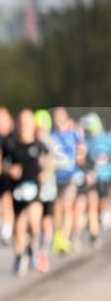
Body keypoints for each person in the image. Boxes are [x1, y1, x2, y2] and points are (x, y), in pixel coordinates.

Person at [5, 110, 47, 276]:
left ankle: (33, 245)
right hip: (17, 191)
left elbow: (50, 162)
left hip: (34, 190)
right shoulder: (11, 144)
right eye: (21, 121)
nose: (24, 125)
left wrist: (46, 172)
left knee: (34, 219)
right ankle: (19, 256)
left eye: (27, 121)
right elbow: (1, 163)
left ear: (32, 124)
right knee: (19, 226)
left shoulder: (39, 145)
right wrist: (9, 170)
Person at [50, 107, 86, 254]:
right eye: (56, 116)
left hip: (71, 176)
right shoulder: (51, 135)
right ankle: (59, 234)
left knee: (66, 206)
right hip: (56, 177)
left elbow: (82, 152)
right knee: (57, 207)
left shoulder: (74, 134)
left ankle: (65, 238)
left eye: (61, 116)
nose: (58, 119)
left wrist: (79, 156)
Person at [81, 112, 111, 248]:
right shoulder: (85, 141)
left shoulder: (107, 138)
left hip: (106, 178)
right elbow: (81, 159)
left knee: (103, 203)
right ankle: (94, 234)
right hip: (92, 180)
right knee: (92, 204)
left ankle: (103, 215)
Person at [34, 109, 58, 271]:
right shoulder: (30, 141)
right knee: (33, 221)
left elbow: (56, 161)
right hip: (32, 189)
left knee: (46, 221)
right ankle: (34, 250)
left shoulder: (51, 142)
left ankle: (43, 252)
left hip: (48, 188)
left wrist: (47, 170)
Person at [0, 107, 16, 246]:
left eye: (2, 119)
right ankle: (4, 224)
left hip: (12, 176)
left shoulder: (15, 136)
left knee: (7, 200)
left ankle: (7, 230)